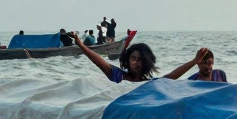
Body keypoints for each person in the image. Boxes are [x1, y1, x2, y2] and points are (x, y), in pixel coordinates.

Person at [75, 37, 209, 83]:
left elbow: (172, 76)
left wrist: (194, 61)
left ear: (146, 63)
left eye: (140, 60)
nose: (136, 63)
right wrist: (81, 45)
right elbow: (99, 61)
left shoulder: (149, 84)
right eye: (133, 58)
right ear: (127, 60)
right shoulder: (118, 76)